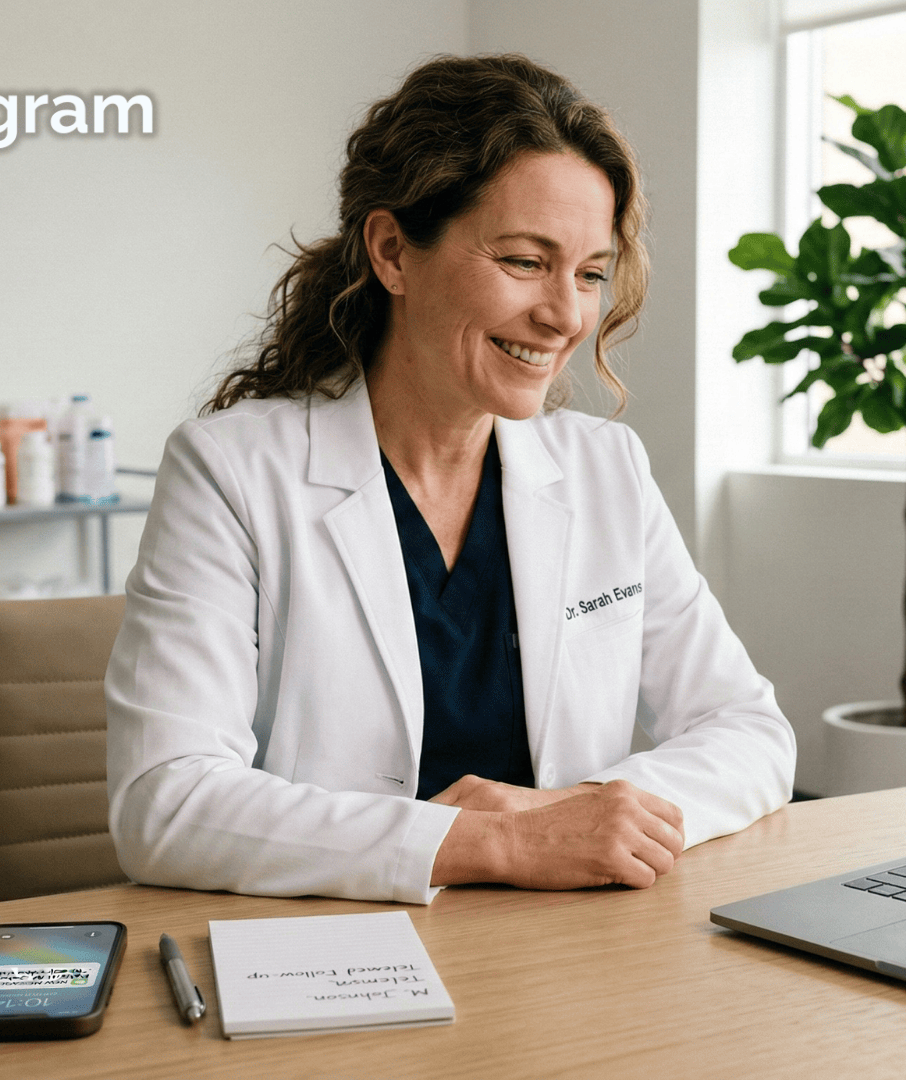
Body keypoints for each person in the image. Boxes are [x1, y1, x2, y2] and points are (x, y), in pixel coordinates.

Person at [105, 55, 796, 905]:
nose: (567, 315)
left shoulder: (605, 469)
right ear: (393, 252)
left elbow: (749, 730)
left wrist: (584, 815)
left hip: (571, 956)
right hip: (341, 963)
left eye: (589, 272)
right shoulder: (232, 472)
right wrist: (497, 840)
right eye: (523, 261)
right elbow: (164, 802)